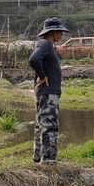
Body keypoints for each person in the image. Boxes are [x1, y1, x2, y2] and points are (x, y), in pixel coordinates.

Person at [28, 17, 69, 164]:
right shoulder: (45, 44)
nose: (61, 35)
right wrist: (42, 75)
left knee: (41, 125)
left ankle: (39, 158)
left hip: (45, 92)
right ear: (52, 32)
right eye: (59, 32)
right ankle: (48, 161)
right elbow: (33, 60)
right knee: (49, 126)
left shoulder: (45, 45)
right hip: (48, 93)